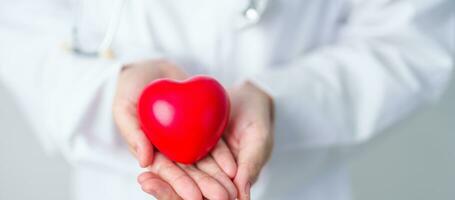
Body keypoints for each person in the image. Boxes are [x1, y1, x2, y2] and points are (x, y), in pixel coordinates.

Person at [0, 0, 453, 199]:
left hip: (292, 188)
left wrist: (279, 101)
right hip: (116, 184)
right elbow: (19, 23)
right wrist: (107, 87)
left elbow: (414, 39)